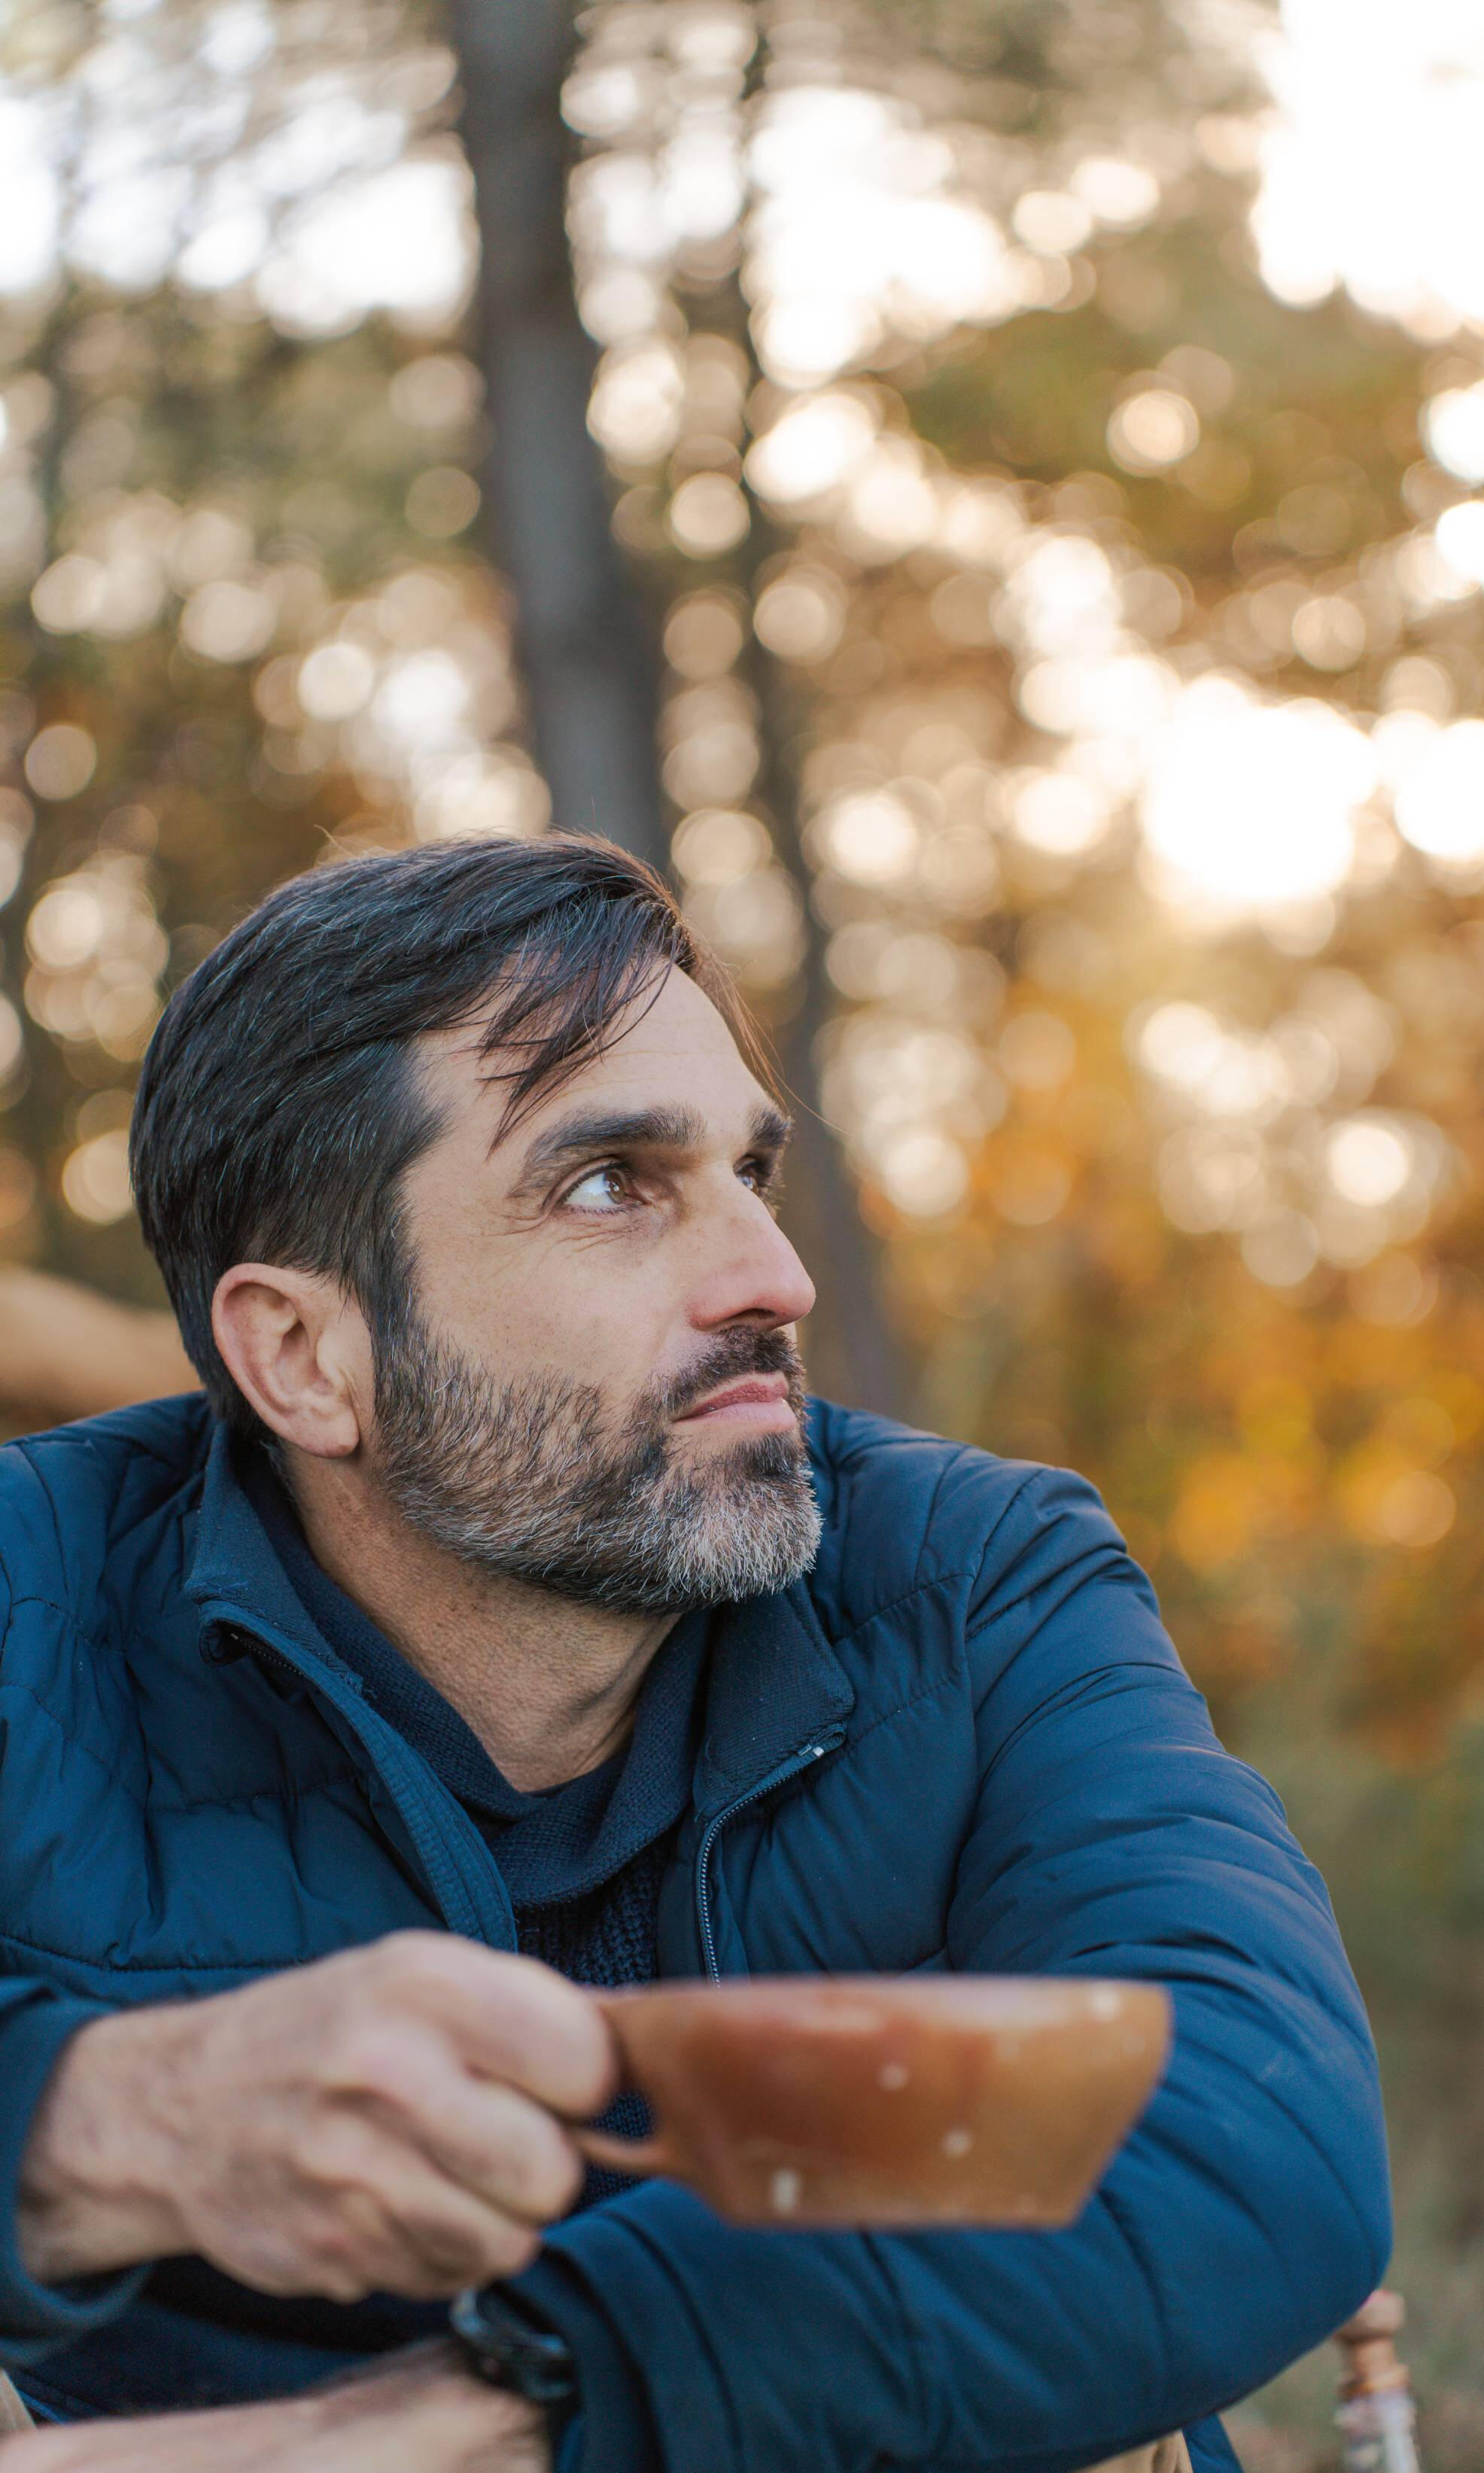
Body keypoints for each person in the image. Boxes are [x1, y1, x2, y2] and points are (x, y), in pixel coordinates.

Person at [0, 836, 1387, 2473]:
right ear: (304, 1354)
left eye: (749, 1172)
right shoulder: (36, 1599)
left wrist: (491, 2413)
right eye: (611, 1184)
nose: (770, 1277)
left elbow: (1255, 2116)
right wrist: (121, 2116)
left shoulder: (972, 1578)